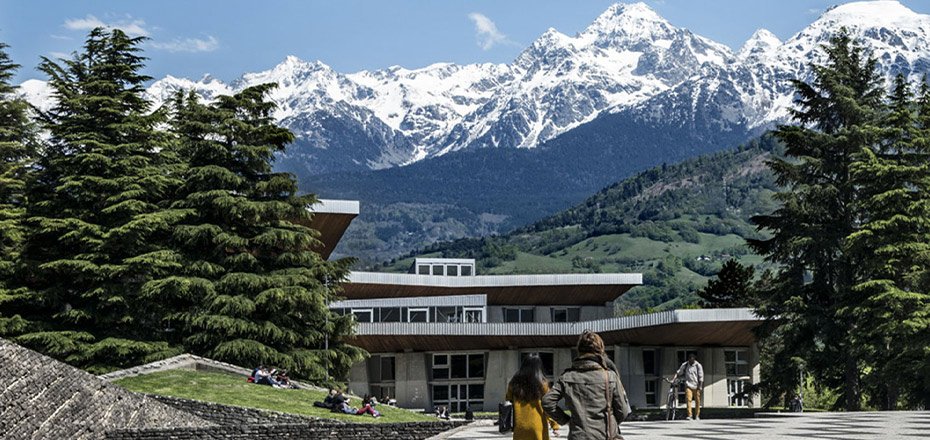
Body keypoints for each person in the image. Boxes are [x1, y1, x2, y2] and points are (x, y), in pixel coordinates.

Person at [543, 330, 630, 440]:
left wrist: (566, 420)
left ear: (579, 350)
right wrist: (610, 422)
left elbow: (547, 401)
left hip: (578, 435)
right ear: (600, 350)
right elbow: (623, 411)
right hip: (605, 435)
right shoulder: (610, 376)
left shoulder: (567, 376)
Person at [506, 354, 556, 440]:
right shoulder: (543, 384)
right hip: (538, 426)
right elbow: (549, 406)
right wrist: (554, 424)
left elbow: (507, 400)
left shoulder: (513, 383)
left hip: (520, 426)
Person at [671, 353, 704, 420]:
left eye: (692, 360)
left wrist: (700, 386)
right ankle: (690, 415)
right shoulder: (685, 364)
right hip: (688, 385)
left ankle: (697, 415)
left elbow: (701, 376)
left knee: (697, 401)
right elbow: (678, 372)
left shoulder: (698, 366)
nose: (691, 361)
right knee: (688, 400)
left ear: (694, 359)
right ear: (688, 359)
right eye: (690, 360)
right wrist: (673, 379)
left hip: (696, 385)